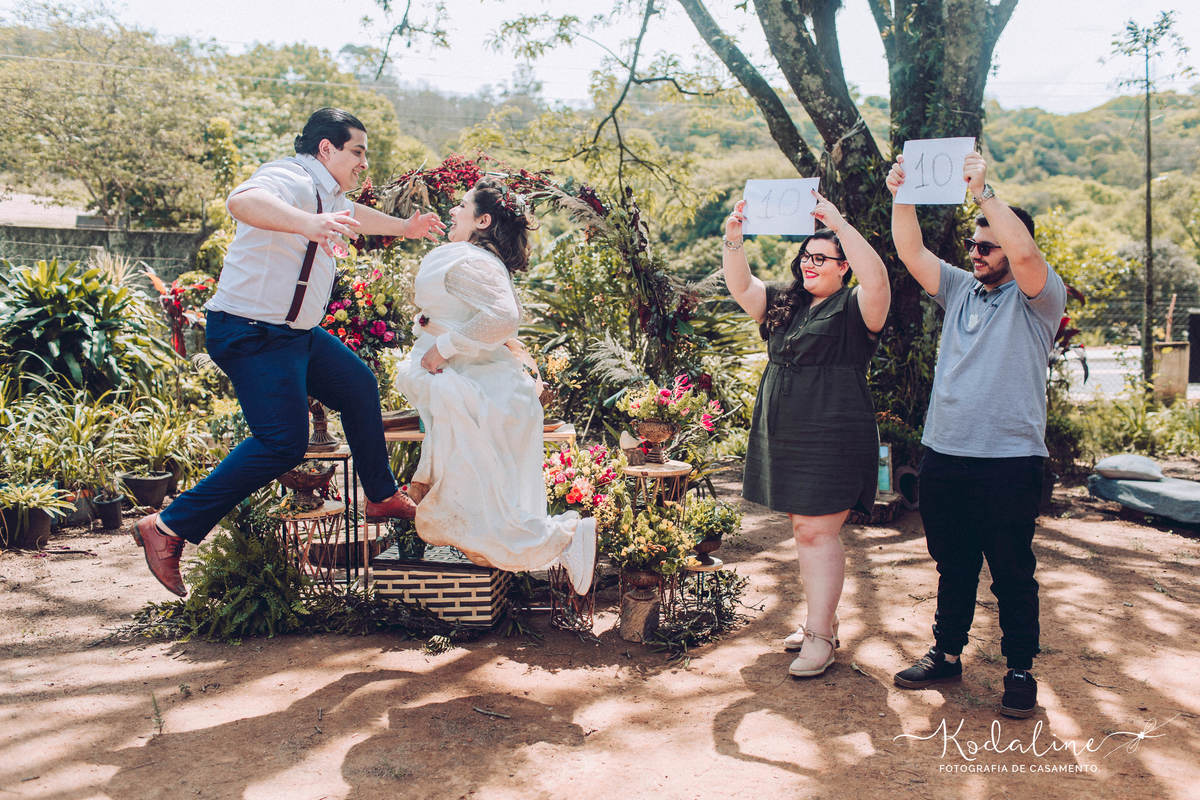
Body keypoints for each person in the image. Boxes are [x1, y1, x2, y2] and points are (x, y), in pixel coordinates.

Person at [133, 108, 445, 597]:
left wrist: (405, 228)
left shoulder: (330, 192)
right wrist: (308, 223)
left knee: (359, 385)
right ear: (326, 149)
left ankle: (381, 497)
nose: (364, 163)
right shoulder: (291, 176)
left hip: (292, 333)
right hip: (250, 331)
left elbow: (352, 215)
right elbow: (243, 200)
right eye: (357, 151)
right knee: (281, 442)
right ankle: (168, 527)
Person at [887, 152, 1066, 719]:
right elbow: (911, 251)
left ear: (1010, 247)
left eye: (986, 244)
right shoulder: (961, 288)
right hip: (945, 453)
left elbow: (1029, 255)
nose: (975, 251)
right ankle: (946, 653)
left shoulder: (1040, 297)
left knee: (1012, 568)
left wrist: (985, 195)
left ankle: (1018, 669)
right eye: (973, 243)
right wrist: (903, 195)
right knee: (953, 563)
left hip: (1009, 461)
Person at [393, 178, 597, 593]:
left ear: (482, 220)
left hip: (482, 391)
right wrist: (434, 331)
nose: (452, 211)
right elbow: (462, 315)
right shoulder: (481, 260)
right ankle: (559, 539)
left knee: (483, 505)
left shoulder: (466, 258)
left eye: (462, 207)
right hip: (491, 389)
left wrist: (443, 347)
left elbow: (503, 319)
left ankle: (566, 536)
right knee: (483, 502)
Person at [723, 190, 891, 677]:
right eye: (805, 257)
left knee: (817, 532)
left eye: (821, 258)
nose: (809, 264)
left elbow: (877, 274)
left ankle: (821, 637)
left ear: (843, 267)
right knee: (806, 531)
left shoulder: (859, 307)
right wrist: (734, 240)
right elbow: (742, 287)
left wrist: (838, 222)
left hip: (834, 429)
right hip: (788, 430)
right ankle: (822, 620)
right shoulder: (785, 304)